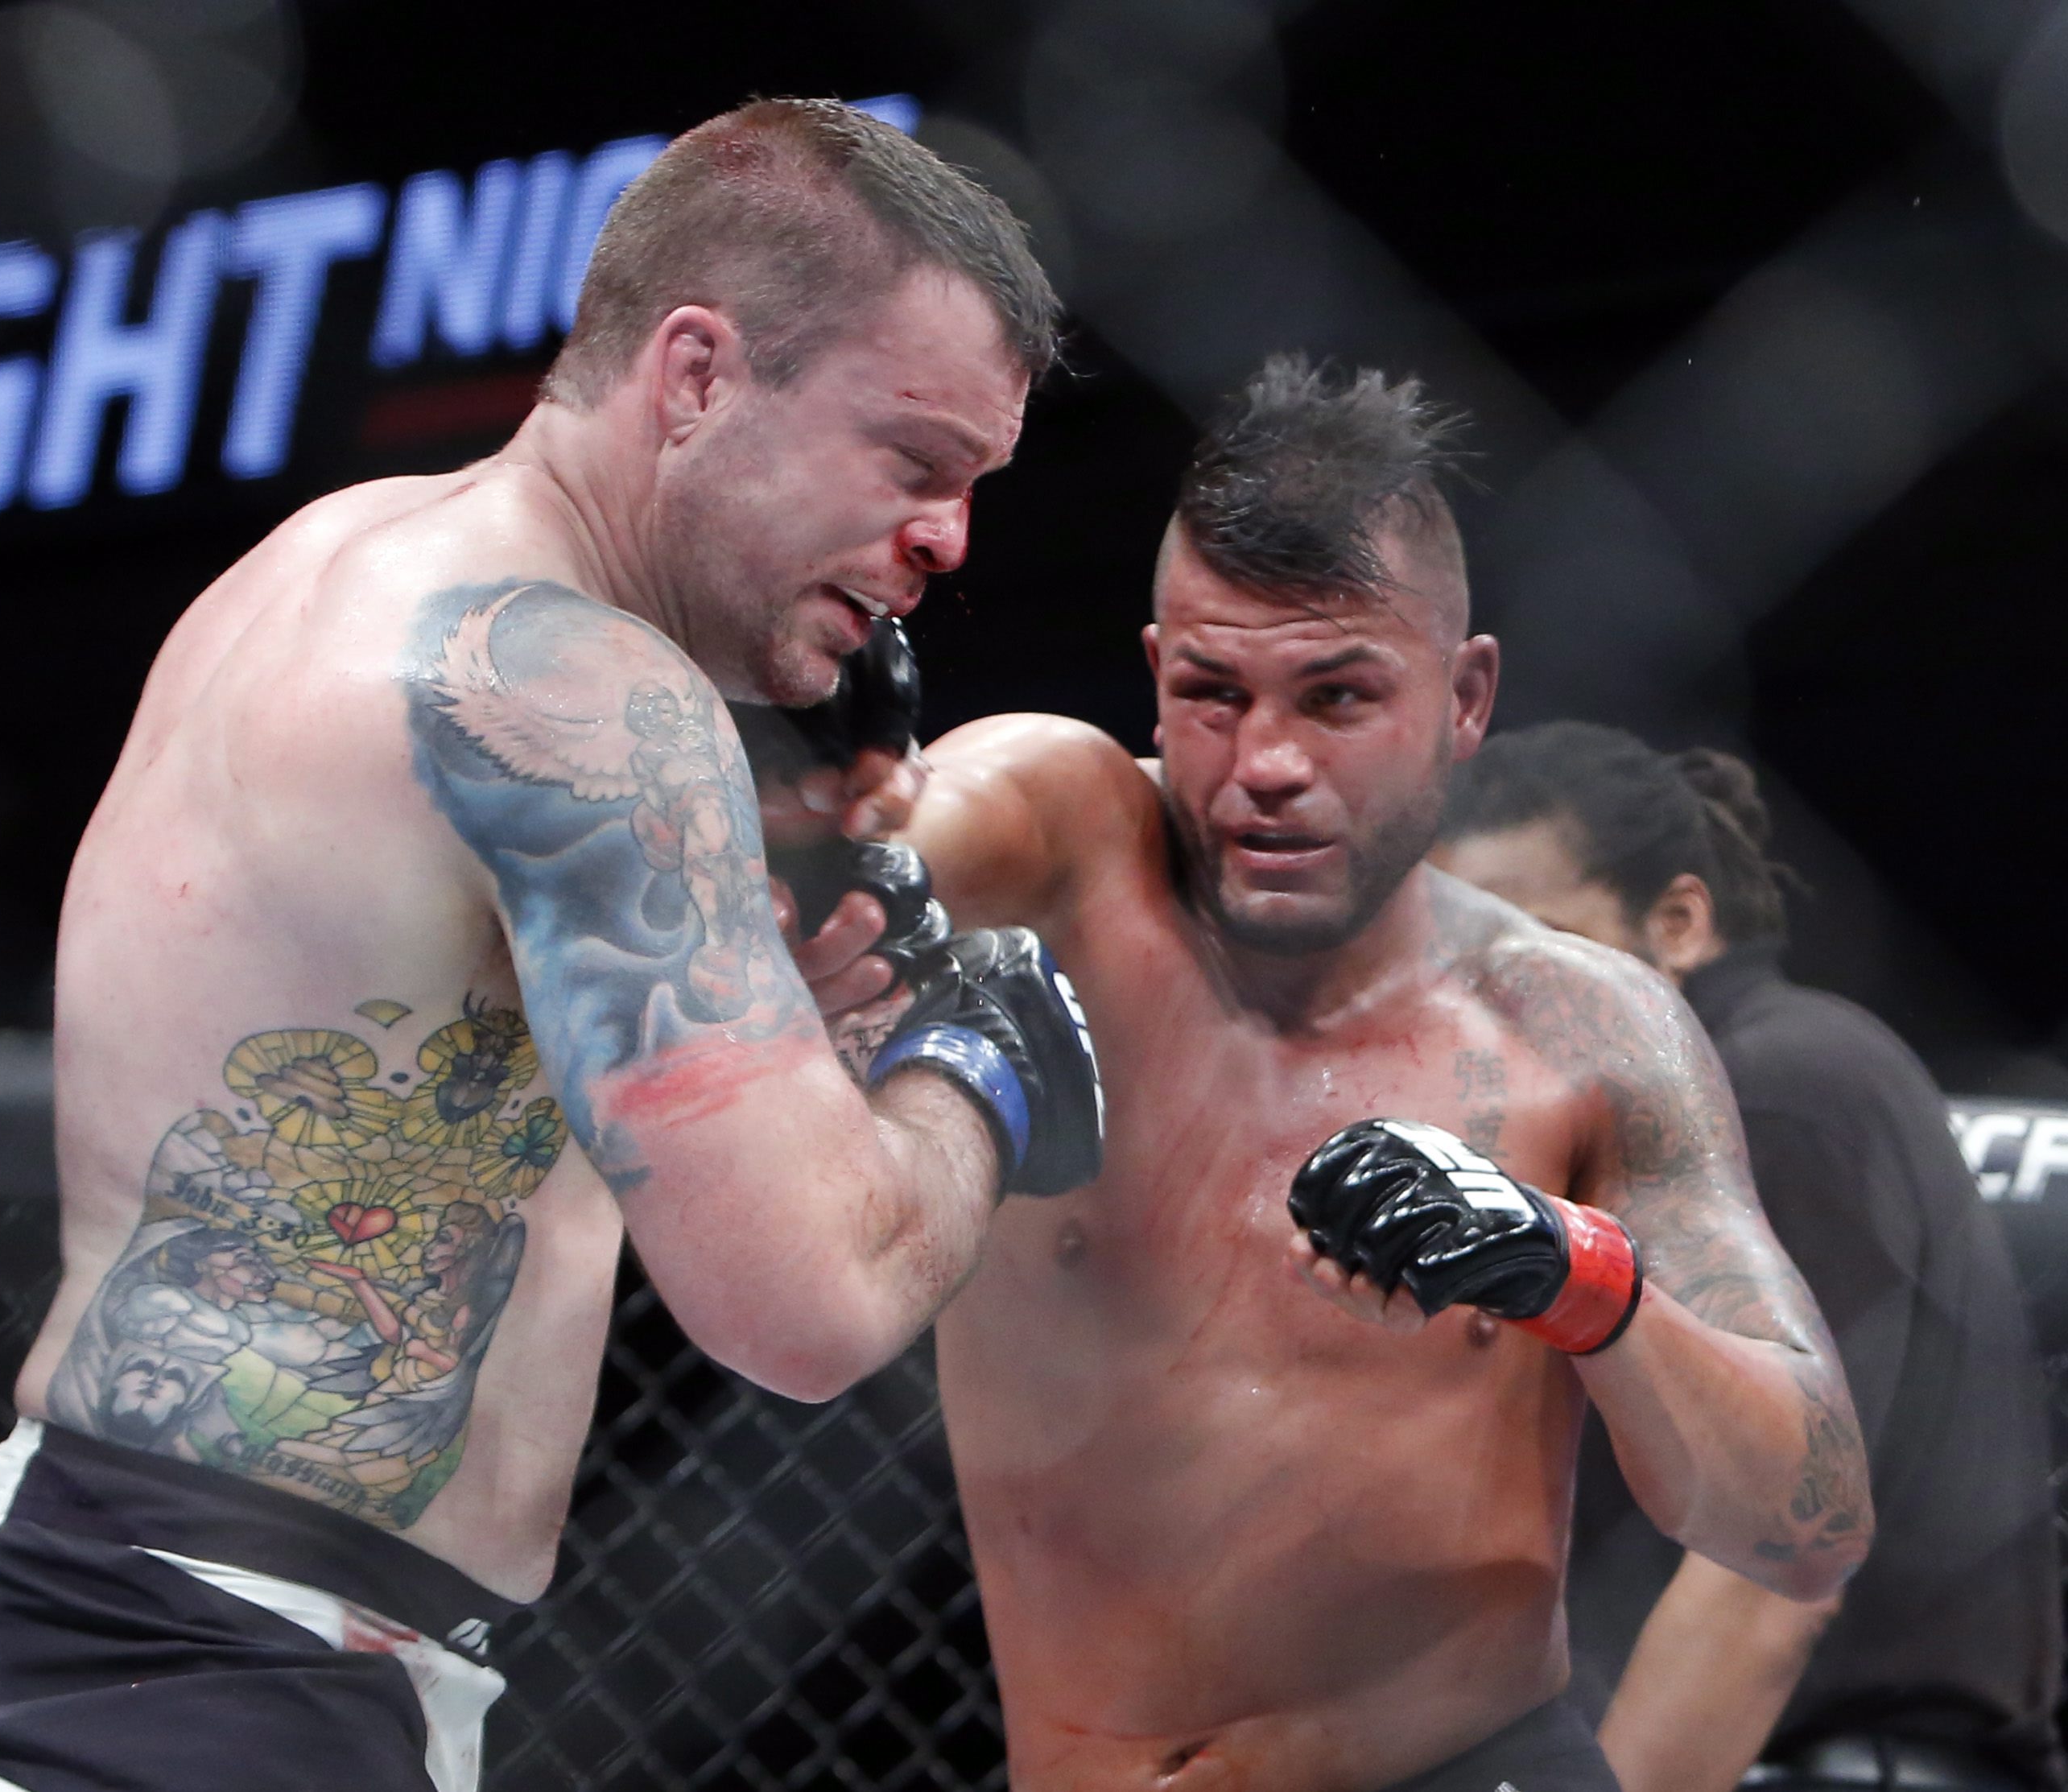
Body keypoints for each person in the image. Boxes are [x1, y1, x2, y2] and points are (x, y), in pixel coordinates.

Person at [0, 98, 1107, 1792]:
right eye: (913, 460)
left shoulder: (326, 556)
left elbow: (420, 1124)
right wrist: (975, 1069)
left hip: (135, 1619)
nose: (948, 540)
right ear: (696, 376)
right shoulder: (585, 696)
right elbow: (806, 1311)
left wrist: (773, 1073)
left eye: (975, 486)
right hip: (204, 1670)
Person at [781, 354, 1872, 1791]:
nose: (1268, 762)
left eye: (1339, 696)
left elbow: (1807, 1515)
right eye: (1213, 691)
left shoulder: (1577, 1025)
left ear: (1465, 698)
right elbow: (901, 846)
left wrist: (1575, 1279)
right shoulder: (1061, 846)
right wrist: (814, 834)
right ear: (1155, 675)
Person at [1435, 724, 2062, 1792]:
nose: (1499, 992)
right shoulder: (1645, 1119)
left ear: (1678, 920)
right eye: (1465, 956)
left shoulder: (1776, 1088)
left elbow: (1770, 1578)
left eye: (1540, 939)